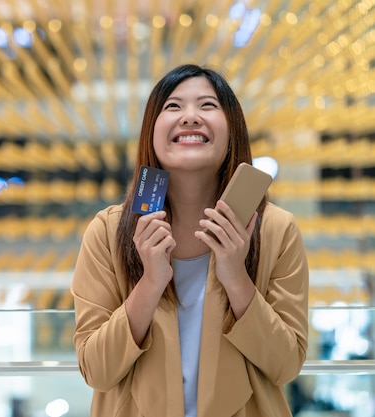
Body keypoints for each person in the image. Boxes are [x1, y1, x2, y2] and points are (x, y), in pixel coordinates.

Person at [70, 63, 309, 417]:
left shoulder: (275, 230)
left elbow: (286, 365)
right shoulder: (107, 232)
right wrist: (150, 282)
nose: (190, 117)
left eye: (208, 106)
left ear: (233, 132)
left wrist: (235, 277)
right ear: (151, 132)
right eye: (173, 106)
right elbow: (97, 370)